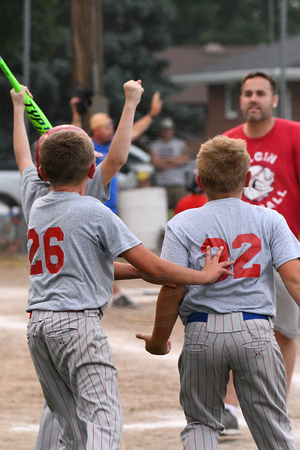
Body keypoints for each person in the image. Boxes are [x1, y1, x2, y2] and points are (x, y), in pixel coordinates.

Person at [25, 127, 233, 449]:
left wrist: (137, 273)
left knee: (72, 428)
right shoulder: (94, 211)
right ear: (93, 170)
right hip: (77, 326)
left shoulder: (38, 209)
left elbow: (83, 266)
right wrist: (203, 275)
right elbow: (156, 265)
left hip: (39, 326)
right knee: (103, 421)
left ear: (42, 172)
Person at [136, 135, 300, 449]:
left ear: (198, 180)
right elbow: (294, 279)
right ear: (248, 179)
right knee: (273, 429)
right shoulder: (270, 219)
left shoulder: (182, 222)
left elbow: (173, 286)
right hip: (255, 330)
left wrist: (158, 339)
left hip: (202, 331)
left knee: (201, 423)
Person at [10, 80, 146, 450]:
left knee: (59, 407)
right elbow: (116, 157)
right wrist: (131, 102)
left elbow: (23, 155)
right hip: (77, 319)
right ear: (88, 167)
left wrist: (18, 110)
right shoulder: (88, 197)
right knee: (96, 414)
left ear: (43, 167)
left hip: (41, 319)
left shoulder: (34, 195)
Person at [221, 71, 300, 435]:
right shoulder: (227, 142)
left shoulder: (294, 135)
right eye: (248, 93)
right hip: (240, 254)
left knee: (284, 330)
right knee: (237, 332)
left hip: (287, 251)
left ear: (274, 100)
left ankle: (276, 406)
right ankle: (230, 410)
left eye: (261, 93)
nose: (254, 99)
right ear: (240, 100)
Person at [88, 91, 163, 308]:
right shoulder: (88, 146)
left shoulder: (112, 143)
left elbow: (132, 131)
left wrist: (150, 115)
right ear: (96, 129)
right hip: (94, 207)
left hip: (109, 207)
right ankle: (117, 293)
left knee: (105, 252)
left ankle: (111, 290)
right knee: (104, 252)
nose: (111, 129)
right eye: (107, 126)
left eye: (113, 126)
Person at [149, 117, 190, 215]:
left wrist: (165, 161)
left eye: (169, 129)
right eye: (165, 129)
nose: (167, 132)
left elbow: (184, 159)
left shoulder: (180, 144)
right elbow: (155, 163)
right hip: (162, 184)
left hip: (178, 183)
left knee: (182, 211)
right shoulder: (155, 145)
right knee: (162, 212)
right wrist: (175, 161)